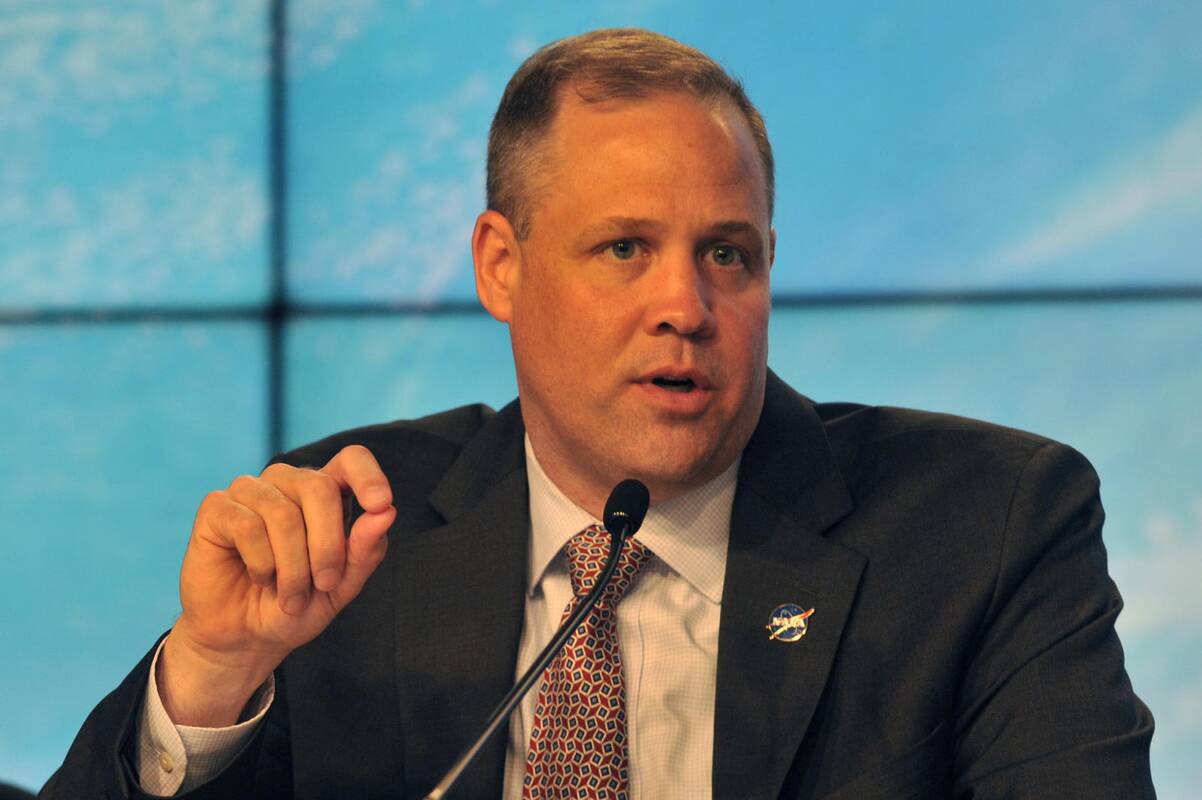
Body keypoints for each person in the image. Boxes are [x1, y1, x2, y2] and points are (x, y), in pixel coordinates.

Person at [42, 28, 1154, 799]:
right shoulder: (352, 536)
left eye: (727, 254)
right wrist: (212, 671)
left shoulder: (982, 526)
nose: (686, 307)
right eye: (625, 248)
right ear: (501, 265)